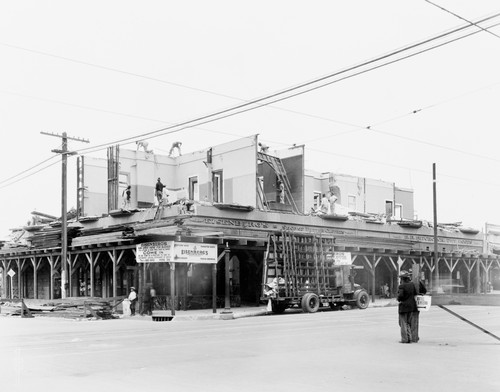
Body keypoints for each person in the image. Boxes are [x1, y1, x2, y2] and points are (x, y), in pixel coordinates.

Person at [397, 271, 417, 343]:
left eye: (401, 279)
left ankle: (405, 339)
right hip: (412, 307)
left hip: (404, 307)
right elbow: (415, 293)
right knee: (408, 323)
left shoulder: (402, 286)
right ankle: (409, 338)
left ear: (402, 279)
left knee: (403, 323)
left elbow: (401, 296)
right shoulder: (412, 285)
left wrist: (398, 298)